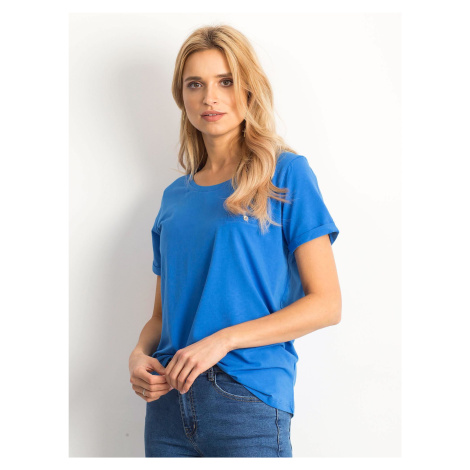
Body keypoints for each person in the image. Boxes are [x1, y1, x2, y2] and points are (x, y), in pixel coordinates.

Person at [128, 24, 342, 458]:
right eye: (195, 84)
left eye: (225, 81)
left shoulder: (285, 173)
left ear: (248, 88)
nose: (210, 97)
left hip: (245, 398)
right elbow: (161, 317)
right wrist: (138, 354)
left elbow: (327, 304)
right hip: (167, 403)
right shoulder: (174, 198)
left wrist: (223, 340)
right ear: (182, 97)